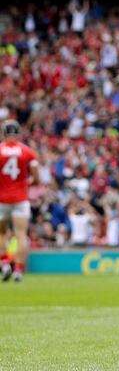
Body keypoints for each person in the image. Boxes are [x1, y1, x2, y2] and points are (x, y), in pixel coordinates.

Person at [0, 120, 40, 283]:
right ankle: (17, 270)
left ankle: (4, 264)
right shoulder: (28, 152)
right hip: (21, 199)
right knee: (21, 235)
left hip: (1, 199)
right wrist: (25, 184)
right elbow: (37, 179)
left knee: (1, 233)